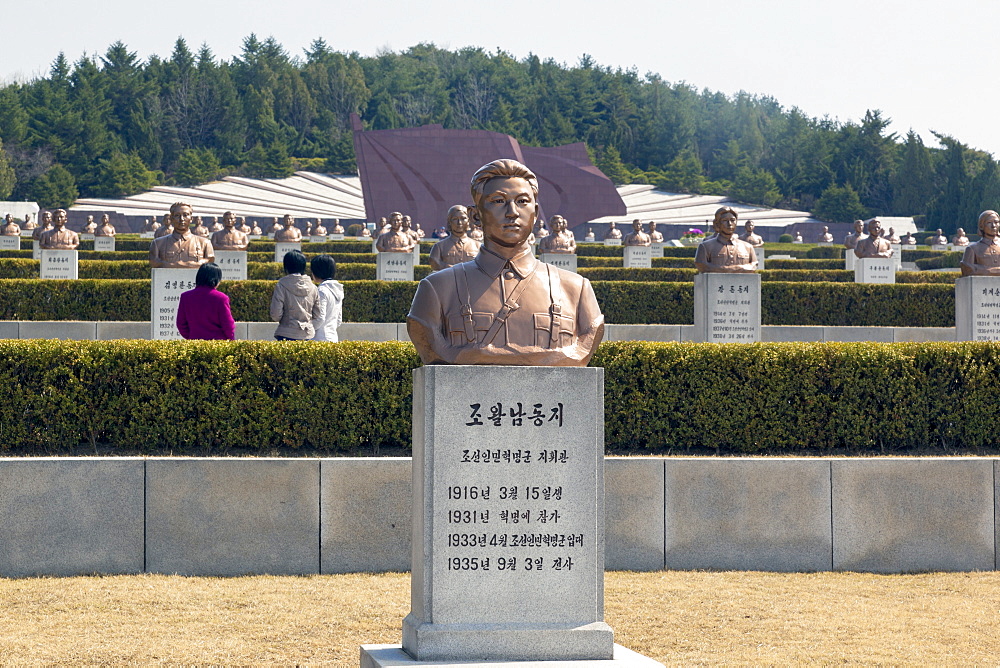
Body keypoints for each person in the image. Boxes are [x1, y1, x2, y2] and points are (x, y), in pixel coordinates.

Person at [407, 158, 604, 366]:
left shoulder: (576, 289)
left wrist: (480, 356)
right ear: (475, 215)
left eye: (522, 201)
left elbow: (584, 345)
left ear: (535, 213)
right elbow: (434, 348)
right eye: (498, 201)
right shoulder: (437, 289)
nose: (512, 212)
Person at [176, 262, 235, 340]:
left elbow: (181, 324)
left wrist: (191, 337)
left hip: (195, 342)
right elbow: (228, 325)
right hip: (217, 343)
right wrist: (231, 340)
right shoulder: (221, 298)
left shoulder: (185, 297)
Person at [270, 250, 320, 340]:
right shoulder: (313, 287)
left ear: (286, 266)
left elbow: (276, 315)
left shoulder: (281, 285)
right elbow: (317, 314)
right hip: (307, 334)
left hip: (286, 333)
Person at [149, 202, 214, 268]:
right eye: (177, 215)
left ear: (191, 219)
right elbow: (154, 262)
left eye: (185, 215)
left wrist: (188, 265)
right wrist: (178, 265)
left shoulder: (205, 243)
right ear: (171, 218)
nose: (181, 219)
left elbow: (209, 260)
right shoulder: (158, 243)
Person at [694, 207, 758, 273]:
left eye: (732, 220)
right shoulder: (705, 247)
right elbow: (703, 266)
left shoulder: (748, 247)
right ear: (717, 224)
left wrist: (733, 269)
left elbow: (753, 265)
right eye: (725, 220)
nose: (729, 224)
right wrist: (733, 269)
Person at [429, 204, 481, 271]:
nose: (459, 223)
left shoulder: (478, 246)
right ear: (449, 222)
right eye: (455, 219)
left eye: (463, 218)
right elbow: (435, 263)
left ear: (469, 221)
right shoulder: (439, 247)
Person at [310, 254, 344, 342]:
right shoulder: (338, 289)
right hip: (333, 337)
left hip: (319, 339)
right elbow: (338, 320)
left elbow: (320, 318)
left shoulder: (322, 290)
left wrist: (307, 329)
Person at [960, 211, 1000, 276]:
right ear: (981, 226)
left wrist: (980, 269)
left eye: (996, 222)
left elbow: (974, 270)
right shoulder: (972, 249)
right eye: (989, 222)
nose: (993, 226)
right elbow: (968, 270)